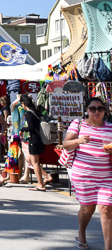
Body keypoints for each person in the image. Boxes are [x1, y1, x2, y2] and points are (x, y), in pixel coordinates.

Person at [62, 97, 112, 250]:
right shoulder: (78, 124)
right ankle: (82, 233)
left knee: (106, 208)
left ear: (105, 110)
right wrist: (78, 141)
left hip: (107, 176)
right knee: (87, 208)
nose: (97, 111)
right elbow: (65, 144)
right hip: (84, 175)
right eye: (93, 108)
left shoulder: (110, 127)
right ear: (87, 110)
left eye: (100, 108)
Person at [20, 94, 49, 192]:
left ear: (23, 104)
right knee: (30, 159)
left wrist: (23, 129)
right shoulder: (38, 111)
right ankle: (45, 177)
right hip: (40, 139)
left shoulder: (29, 113)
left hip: (34, 139)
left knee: (35, 162)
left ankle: (41, 184)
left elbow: (31, 127)